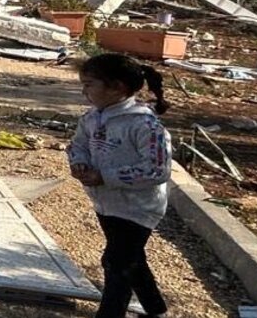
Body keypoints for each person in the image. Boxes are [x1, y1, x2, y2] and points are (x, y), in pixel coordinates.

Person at [67, 53, 173, 318]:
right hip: (107, 203)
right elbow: (77, 144)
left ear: (118, 87)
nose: (84, 91)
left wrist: (106, 176)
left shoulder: (145, 125)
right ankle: (156, 310)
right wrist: (79, 162)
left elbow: (157, 170)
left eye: (90, 84)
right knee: (131, 260)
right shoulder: (92, 118)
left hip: (139, 208)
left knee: (115, 263)